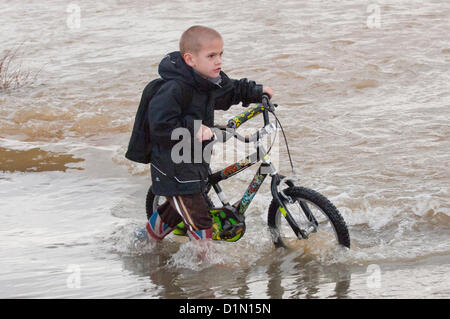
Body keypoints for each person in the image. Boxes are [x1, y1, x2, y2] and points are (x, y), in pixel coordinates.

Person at [142, 25, 274, 245]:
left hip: (194, 159)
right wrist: (194, 127)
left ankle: (144, 242)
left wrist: (257, 91)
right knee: (200, 218)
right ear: (190, 59)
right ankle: (208, 266)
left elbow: (231, 90)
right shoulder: (173, 88)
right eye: (211, 55)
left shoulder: (207, 81)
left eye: (221, 54)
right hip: (172, 165)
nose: (218, 61)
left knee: (178, 209)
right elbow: (160, 124)